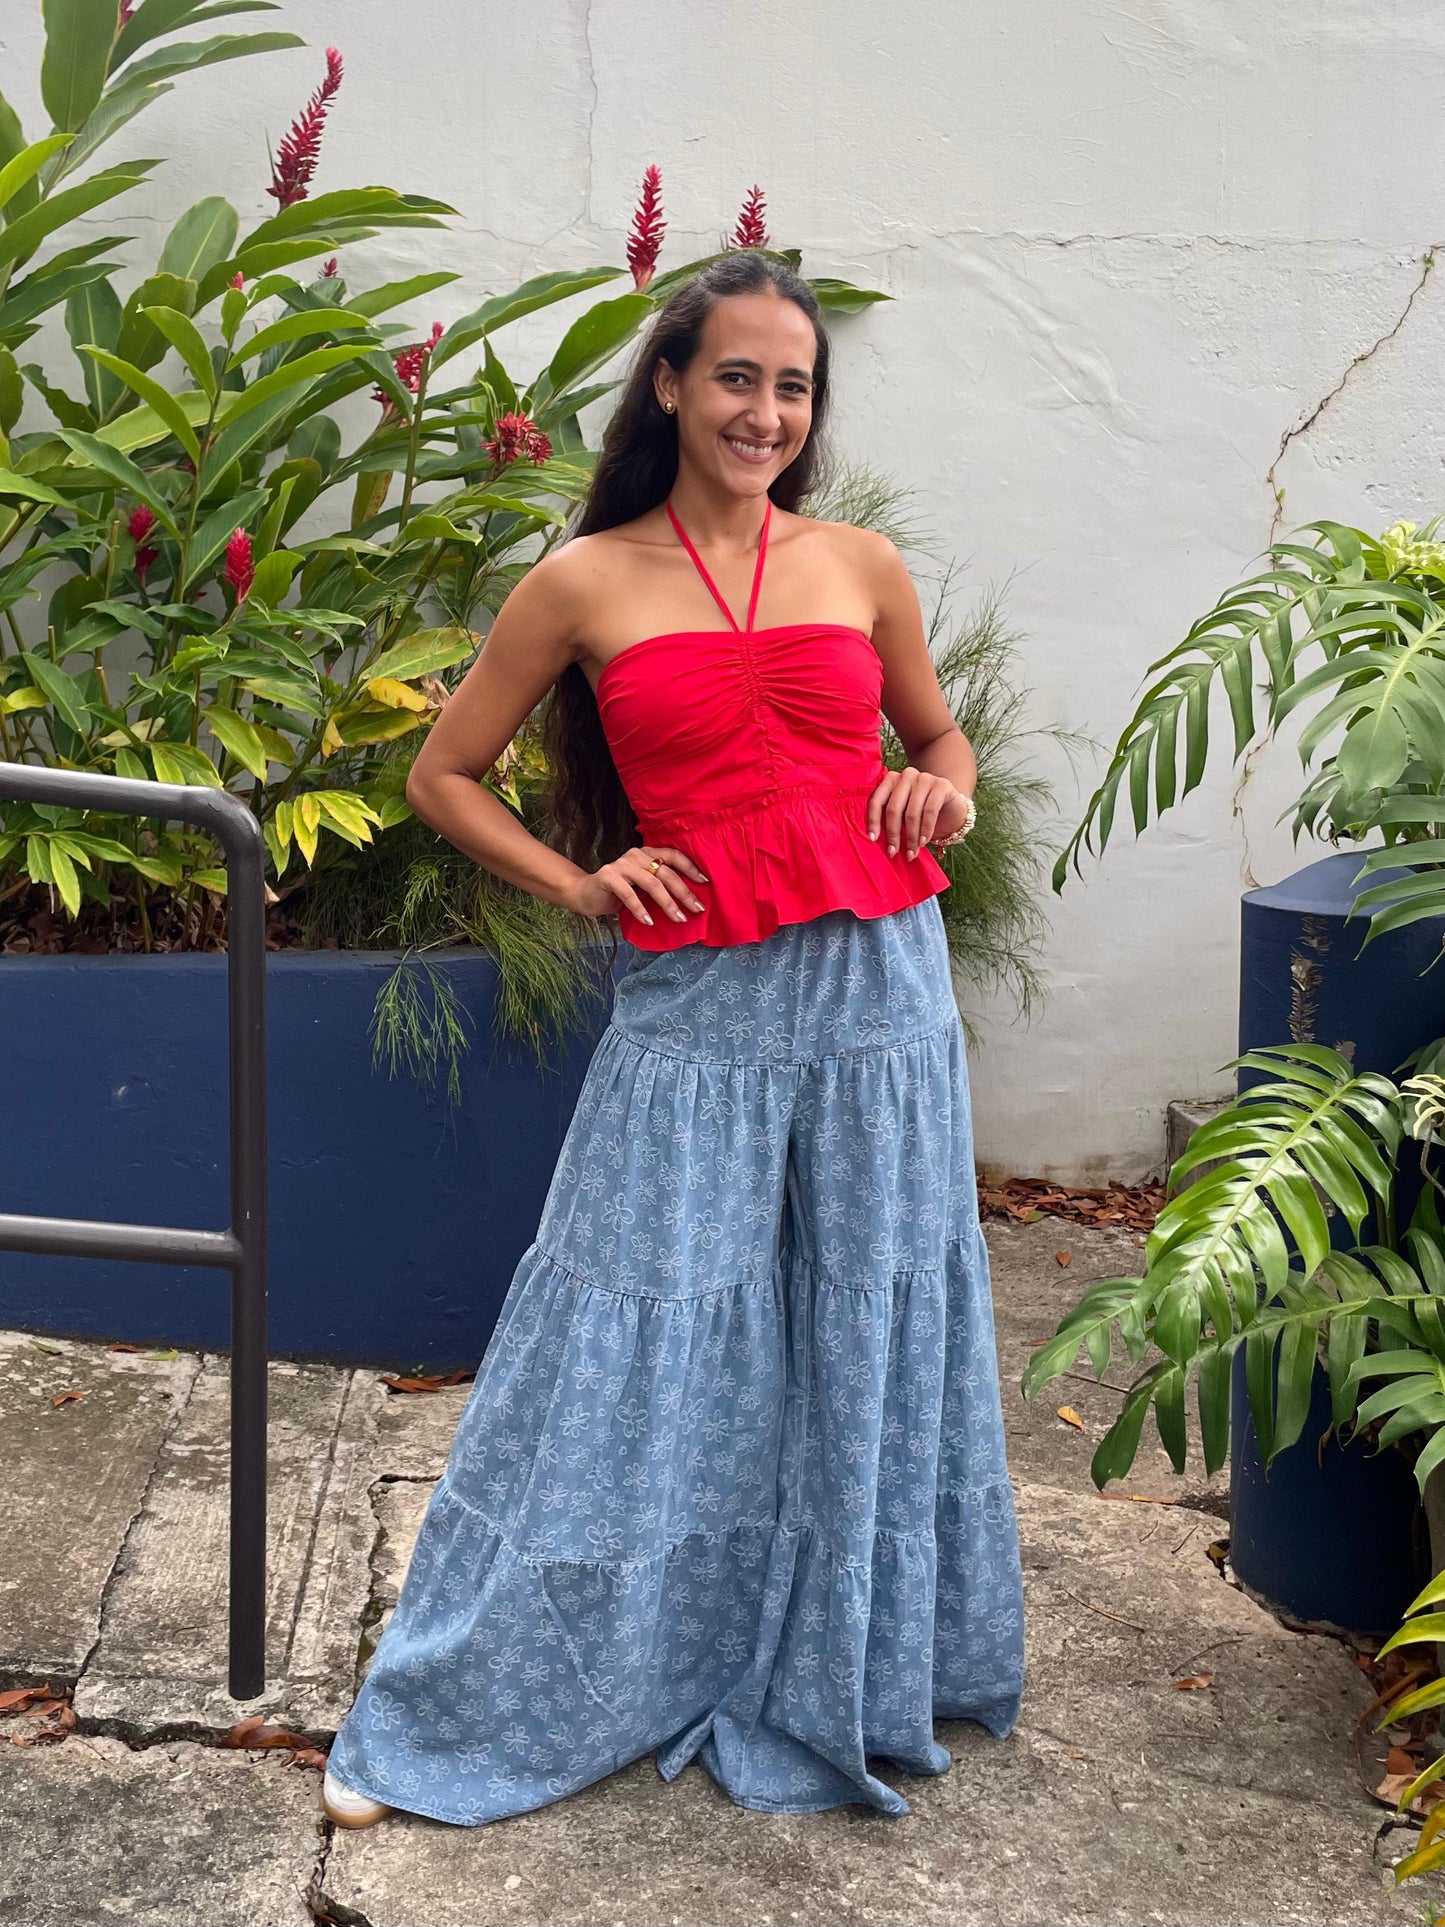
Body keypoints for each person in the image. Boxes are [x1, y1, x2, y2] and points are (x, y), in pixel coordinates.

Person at [321, 250, 1025, 1830]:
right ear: (667, 384)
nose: (764, 410)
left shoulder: (859, 562)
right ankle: (491, 1685)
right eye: (735, 377)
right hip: (699, 994)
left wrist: (948, 791)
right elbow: (444, 774)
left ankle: (837, 1655)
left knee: (868, 1311)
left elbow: (935, 738)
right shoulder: (582, 582)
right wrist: (580, 879)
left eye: (792, 386)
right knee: (627, 1315)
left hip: (880, 992)